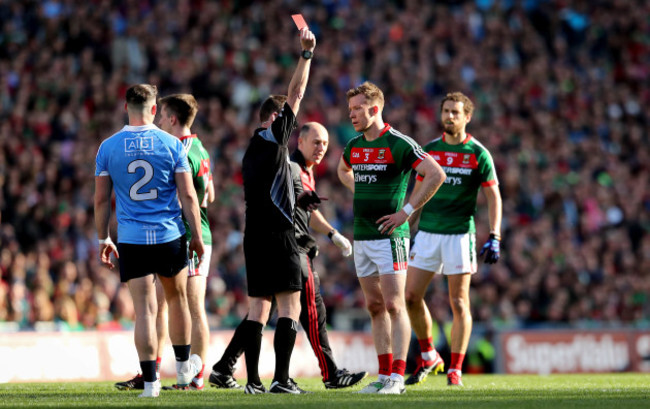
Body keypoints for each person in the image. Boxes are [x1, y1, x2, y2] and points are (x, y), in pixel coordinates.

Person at [208, 122, 368, 391]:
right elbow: (291, 207)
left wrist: (331, 234)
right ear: (300, 142)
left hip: (280, 247)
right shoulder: (292, 168)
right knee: (311, 311)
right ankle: (326, 374)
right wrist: (314, 237)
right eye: (316, 142)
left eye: (325, 144)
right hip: (291, 250)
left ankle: (224, 366)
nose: (321, 148)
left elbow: (306, 209)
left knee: (259, 312)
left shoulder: (302, 170)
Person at [94, 84, 205, 398]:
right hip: (169, 235)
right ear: (155, 109)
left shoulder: (108, 147)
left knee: (145, 311)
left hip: (131, 239)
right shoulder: (172, 144)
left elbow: (101, 200)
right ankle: (184, 368)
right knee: (177, 300)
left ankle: (152, 383)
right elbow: (188, 195)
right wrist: (197, 236)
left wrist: (103, 237)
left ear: (126, 107)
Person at [337, 82, 446, 394]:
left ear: (375, 109)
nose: (352, 114)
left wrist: (407, 211)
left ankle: (397, 377)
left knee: (395, 305)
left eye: (358, 109)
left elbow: (436, 173)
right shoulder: (354, 146)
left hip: (390, 237)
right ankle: (383, 375)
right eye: (350, 110)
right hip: (362, 235)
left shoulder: (399, 143)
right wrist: (359, 190)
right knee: (374, 306)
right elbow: (342, 170)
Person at [232, 27, 316, 395]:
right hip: (280, 235)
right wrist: (306, 55)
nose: (290, 122)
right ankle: (282, 379)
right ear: (274, 117)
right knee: (289, 307)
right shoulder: (273, 138)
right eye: (284, 117)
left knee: (256, 310)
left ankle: (252, 382)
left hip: (254, 235)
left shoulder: (251, 150)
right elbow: (296, 93)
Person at [404, 92, 502, 387]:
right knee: (410, 297)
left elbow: (493, 196)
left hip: (460, 235)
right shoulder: (429, 150)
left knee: (459, 303)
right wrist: (405, 226)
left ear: (467, 117)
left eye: (455, 112)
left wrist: (495, 233)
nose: (449, 116)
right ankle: (428, 353)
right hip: (428, 233)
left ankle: (455, 369)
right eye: (446, 111)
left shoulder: (478, 153)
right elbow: (418, 194)